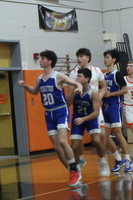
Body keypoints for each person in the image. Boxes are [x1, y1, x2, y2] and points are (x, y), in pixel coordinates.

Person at [18, 49, 84, 188]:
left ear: (49, 61)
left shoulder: (58, 76)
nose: (40, 61)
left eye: (42, 59)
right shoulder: (39, 79)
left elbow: (76, 83)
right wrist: (25, 86)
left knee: (62, 141)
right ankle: (72, 171)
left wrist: (78, 88)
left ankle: (74, 170)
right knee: (57, 147)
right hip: (48, 113)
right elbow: (35, 92)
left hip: (60, 111)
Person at [68, 48, 110, 175]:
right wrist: (73, 91)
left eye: (81, 56)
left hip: (93, 109)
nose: (79, 59)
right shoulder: (73, 73)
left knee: (100, 137)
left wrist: (97, 98)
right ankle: (80, 159)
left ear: (88, 58)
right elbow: (68, 99)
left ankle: (103, 160)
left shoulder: (96, 71)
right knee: (75, 143)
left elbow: (104, 87)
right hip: (80, 112)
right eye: (78, 56)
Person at [102, 49, 133, 173]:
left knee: (118, 133)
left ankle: (127, 159)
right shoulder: (103, 76)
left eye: (108, 57)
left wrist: (111, 94)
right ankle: (118, 159)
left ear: (114, 60)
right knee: (105, 136)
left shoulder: (117, 74)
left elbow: (125, 90)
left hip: (115, 105)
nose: (105, 59)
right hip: (105, 106)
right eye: (104, 57)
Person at [68, 68, 102, 177]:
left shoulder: (94, 92)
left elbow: (96, 113)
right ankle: (78, 169)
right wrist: (72, 93)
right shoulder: (74, 88)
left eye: (80, 76)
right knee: (74, 146)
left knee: (96, 140)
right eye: (77, 76)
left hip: (90, 118)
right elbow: (67, 103)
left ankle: (102, 160)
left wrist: (84, 119)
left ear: (87, 79)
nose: (77, 78)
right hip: (77, 118)